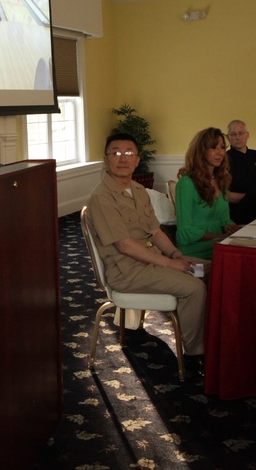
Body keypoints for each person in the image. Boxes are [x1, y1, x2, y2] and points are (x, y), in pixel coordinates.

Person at [85, 132, 207, 365]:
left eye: (129, 153)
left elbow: (156, 232)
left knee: (212, 270)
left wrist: (175, 254)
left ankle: (217, 338)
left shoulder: (139, 190)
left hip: (151, 261)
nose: (123, 158)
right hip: (127, 271)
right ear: (105, 159)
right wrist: (172, 265)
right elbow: (125, 246)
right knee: (194, 288)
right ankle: (195, 355)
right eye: (116, 153)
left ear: (137, 160)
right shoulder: (102, 198)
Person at [175, 128, 241, 260]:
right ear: (201, 151)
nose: (219, 153)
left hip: (219, 246)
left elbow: (224, 219)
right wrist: (221, 237)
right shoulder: (187, 183)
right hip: (195, 251)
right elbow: (185, 231)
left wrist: (230, 227)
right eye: (213, 147)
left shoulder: (220, 179)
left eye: (222, 147)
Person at [225, 120, 256, 225]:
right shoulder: (224, 160)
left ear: (247, 135)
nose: (237, 137)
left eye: (241, 133)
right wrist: (253, 198)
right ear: (228, 137)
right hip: (239, 214)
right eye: (233, 134)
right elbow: (225, 195)